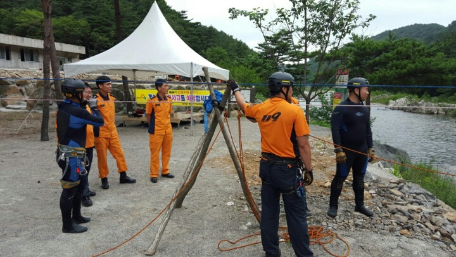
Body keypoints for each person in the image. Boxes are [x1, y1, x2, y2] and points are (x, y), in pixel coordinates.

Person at [229, 72, 314, 257]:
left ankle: (271, 253)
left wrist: (236, 89)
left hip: (267, 167)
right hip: (288, 169)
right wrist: (309, 169)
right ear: (284, 89)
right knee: (297, 216)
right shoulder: (294, 111)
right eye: (290, 87)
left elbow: (244, 106)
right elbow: (303, 144)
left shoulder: (261, 108)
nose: (292, 91)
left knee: (269, 213)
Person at [56, 78, 104, 233]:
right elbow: (100, 122)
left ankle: (76, 216)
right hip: (72, 156)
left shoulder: (64, 106)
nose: (86, 94)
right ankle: (67, 225)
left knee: (78, 187)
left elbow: (75, 110)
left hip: (71, 153)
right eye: (83, 91)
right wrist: (94, 107)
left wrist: (83, 104)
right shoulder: (78, 111)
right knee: (69, 190)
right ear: (76, 93)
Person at [327, 77, 378, 218]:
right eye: (365, 89)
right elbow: (335, 129)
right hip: (346, 151)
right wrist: (338, 149)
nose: (367, 92)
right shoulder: (342, 108)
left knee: (360, 178)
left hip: (361, 150)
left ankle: (360, 205)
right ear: (356, 90)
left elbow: (368, 130)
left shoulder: (364, 108)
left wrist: (371, 148)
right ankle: (333, 205)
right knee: (340, 177)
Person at [94, 76, 136, 189]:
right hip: (101, 133)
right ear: (100, 86)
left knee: (119, 153)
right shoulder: (95, 101)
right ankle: (104, 179)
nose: (110, 86)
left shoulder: (111, 99)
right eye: (107, 84)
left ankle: (123, 175)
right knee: (102, 157)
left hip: (112, 131)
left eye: (110, 84)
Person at [145, 79, 175, 183]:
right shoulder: (151, 100)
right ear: (159, 88)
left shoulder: (169, 100)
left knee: (167, 152)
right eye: (165, 86)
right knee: (155, 153)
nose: (167, 88)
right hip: (156, 131)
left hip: (167, 130)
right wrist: (152, 125)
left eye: (167, 86)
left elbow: (170, 113)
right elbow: (148, 114)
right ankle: (154, 174)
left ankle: (165, 171)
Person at [81, 83, 97, 207]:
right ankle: (83, 194)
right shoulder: (76, 108)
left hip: (89, 143)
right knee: (81, 170)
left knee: (86, 169)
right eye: (87, 92)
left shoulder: (87, 106)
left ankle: (85, 189)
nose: (90, 95)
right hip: (79, 145)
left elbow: (96, 122)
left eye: (90, 92)